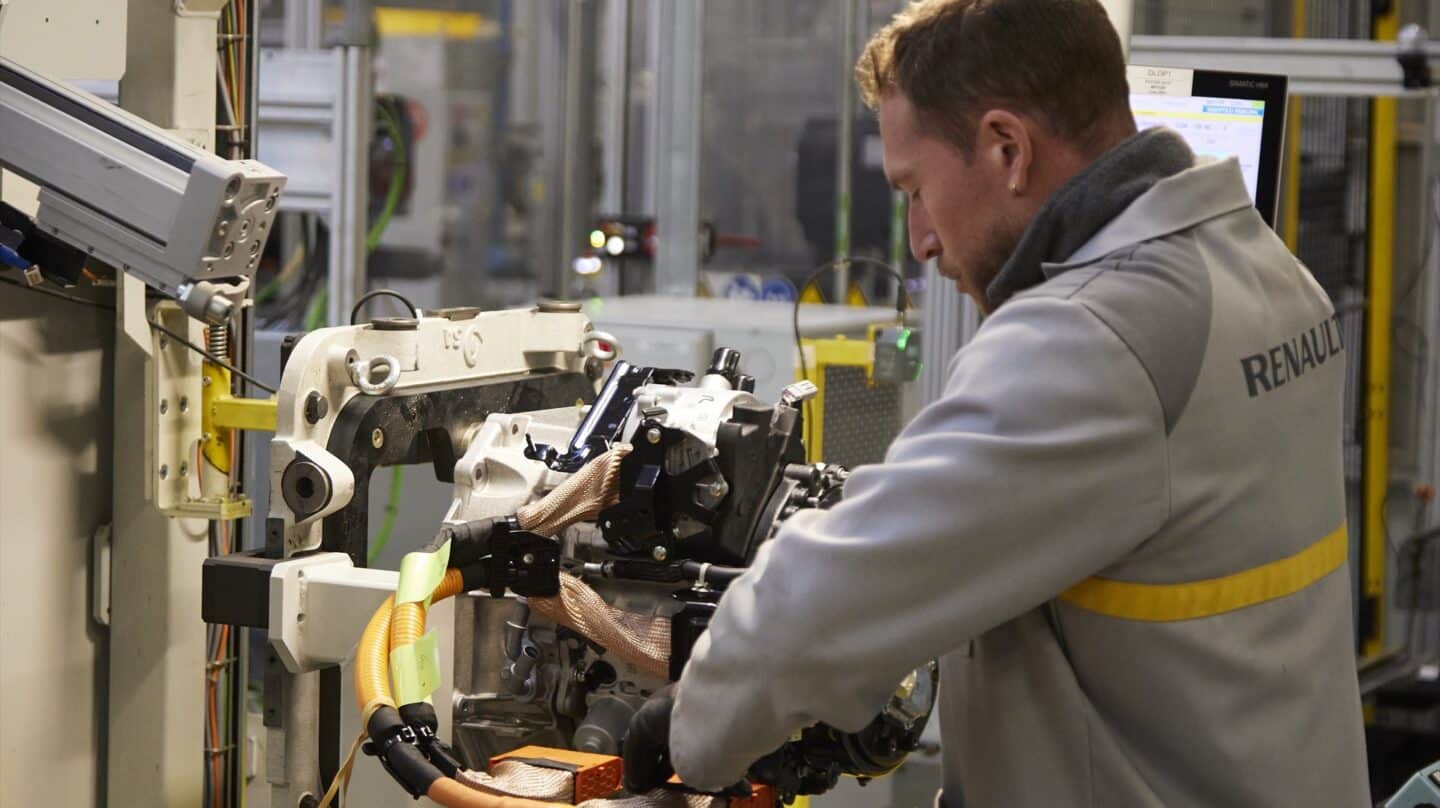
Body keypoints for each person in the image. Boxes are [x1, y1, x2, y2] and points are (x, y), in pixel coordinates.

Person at [623, 0, 1370, 804]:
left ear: (1008, 149)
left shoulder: (1095, 342)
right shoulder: (1263, 269)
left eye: (914, 190)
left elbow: (818, 610)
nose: (920, 240)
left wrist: (685, 736)